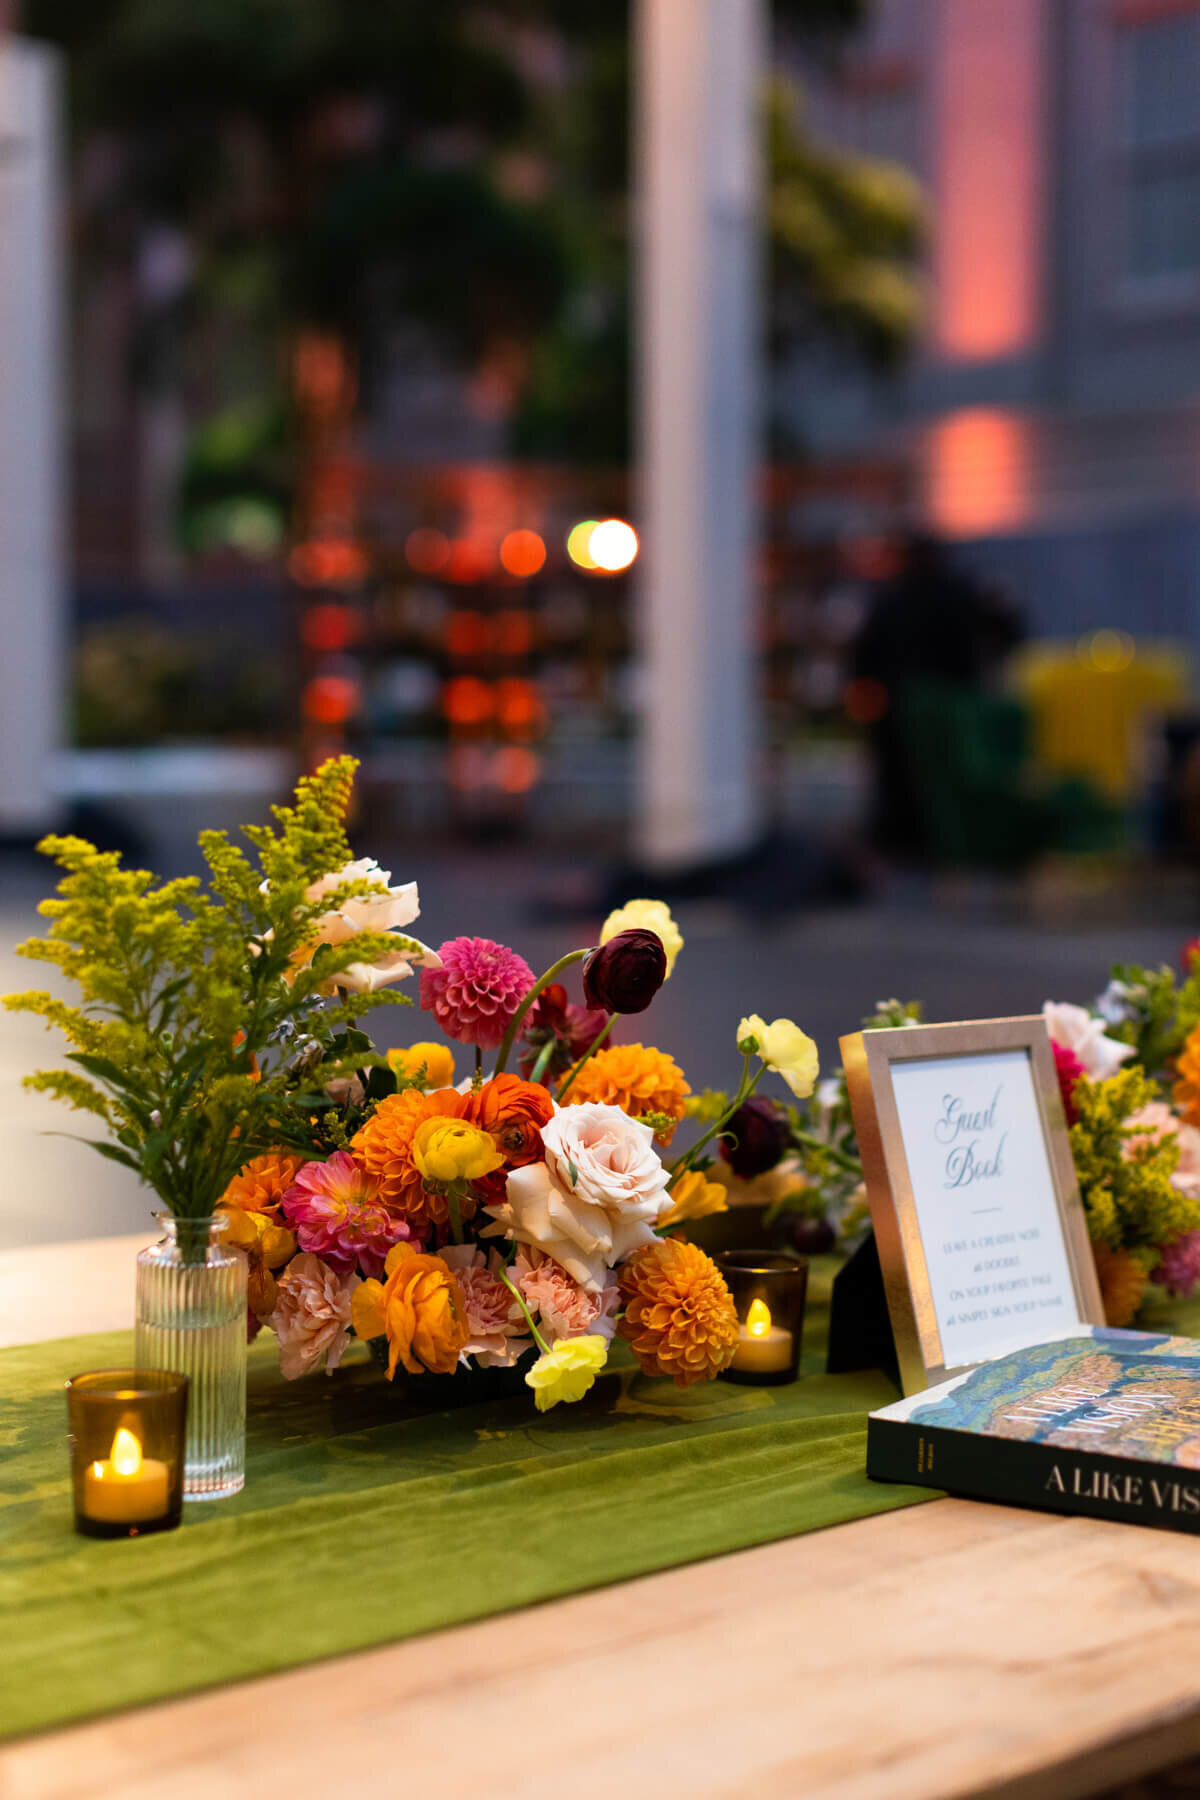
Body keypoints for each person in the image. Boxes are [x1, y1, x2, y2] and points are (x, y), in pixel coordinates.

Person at [850, 532, 1024, 859]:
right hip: (950, 711)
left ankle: (906, 845)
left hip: (899, 710)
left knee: (905, 784)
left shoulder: (892, 599)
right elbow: (1006, 632)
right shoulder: (958, 593)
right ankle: (942, 845)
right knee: (944, 782)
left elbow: (863, 658)